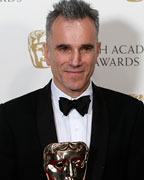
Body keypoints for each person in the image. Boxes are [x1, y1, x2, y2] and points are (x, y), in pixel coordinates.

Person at [0, 0, 144, 180]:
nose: (75, 61)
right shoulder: (10, 117)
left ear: (98, 51)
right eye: (64, 48)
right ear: (46, 52)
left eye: (85, 48)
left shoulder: (131, 114)